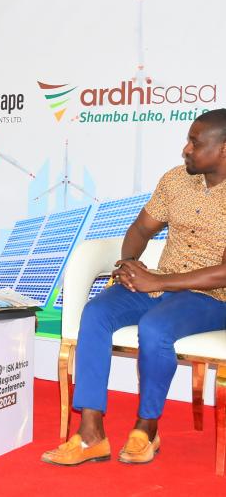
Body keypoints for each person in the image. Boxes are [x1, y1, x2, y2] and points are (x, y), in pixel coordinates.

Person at [42, 108, 226, 466]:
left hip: (211, 296)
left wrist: (157, 281)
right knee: (95, 314)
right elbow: (141, 230)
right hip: (159, 283)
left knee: (155, 328)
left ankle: (147, 428)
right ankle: (91, 434)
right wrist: (129, 263)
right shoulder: (175, 181)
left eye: (194, 142)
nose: (185, 150)